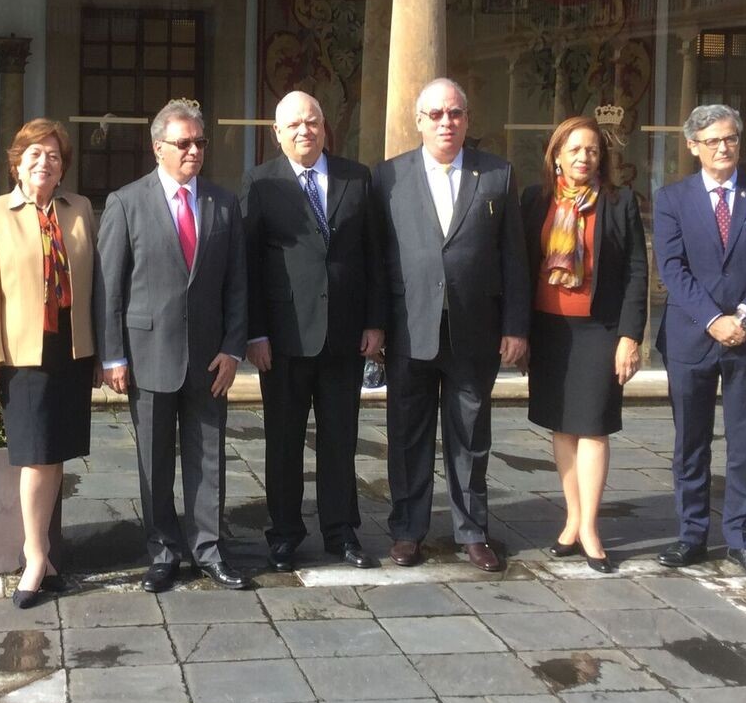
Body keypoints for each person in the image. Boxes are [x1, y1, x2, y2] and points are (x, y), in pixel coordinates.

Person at [372, 77, 530, 572]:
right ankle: (407, 530)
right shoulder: (388, 177)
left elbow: (514, 260)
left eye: (455, 114)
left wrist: (515, 326)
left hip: (474, 329)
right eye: (436, 114)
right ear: (419, 121)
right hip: (409, 328)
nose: (446, 122)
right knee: (408, 436)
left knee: (470, 435)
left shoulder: (497, 175)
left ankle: (472, 530)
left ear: (467, 120)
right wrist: (375, 325)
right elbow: (377, 259)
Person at [94, 99, 250, 593]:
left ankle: (208, 549)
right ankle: (163, 550)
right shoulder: (126, 202)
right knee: (154, 460)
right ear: (158, 148)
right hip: (148, 355)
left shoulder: (223, 203)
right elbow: (109, 286)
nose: (194, 151)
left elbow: (237, 284)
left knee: (208, 457)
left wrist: (233, 348)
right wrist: (113, 354)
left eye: (200, 143)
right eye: (183, 143)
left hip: (209, 358)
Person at [241, 91, 385, 572]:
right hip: (283, 339)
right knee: (283, 440)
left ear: (325, 128)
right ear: (277, 133)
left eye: (313, 122)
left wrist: (374, 322)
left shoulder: (355, 177)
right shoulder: (260, 182)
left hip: (345, 335)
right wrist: (254, 333)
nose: (305, 130)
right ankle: (284, 533)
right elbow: (250, 266)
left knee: (340, 439)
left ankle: (341, 531)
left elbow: (373, 256)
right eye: (295, 125)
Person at [654, 104, 746, 579]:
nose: (723, 147)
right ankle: (691, 536)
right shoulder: (672, 199)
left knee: (745, 443)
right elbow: (672, 268)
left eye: (730, 138)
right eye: (712, 140)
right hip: (692, 337)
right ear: (693, 146)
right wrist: (714, 318)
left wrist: (745, 315)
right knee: (690, 443)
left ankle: (741, 540)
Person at [0, 119, 98, 609]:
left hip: (71, 348)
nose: (45, 162)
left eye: (54, 156)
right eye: (35, 155)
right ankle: (35, 554)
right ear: (17, 163)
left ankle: (47, 553)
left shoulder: (81, 209)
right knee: (37, 454)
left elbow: (98, 284)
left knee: (56, 453)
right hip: (24, 352)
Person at [520, 115, 648, 574]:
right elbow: (520, 267)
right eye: (574, 149)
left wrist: (630, 336)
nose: (583, 157)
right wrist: (518, 330)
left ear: (602, 157)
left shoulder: (619, 202)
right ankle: (571, 520)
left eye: (591, 150)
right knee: (562, 425)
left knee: (593, 425)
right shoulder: (535, 201)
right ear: (556, 155)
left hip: (600, 330)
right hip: (550, 329)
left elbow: (636, 271)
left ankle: (590, 527)